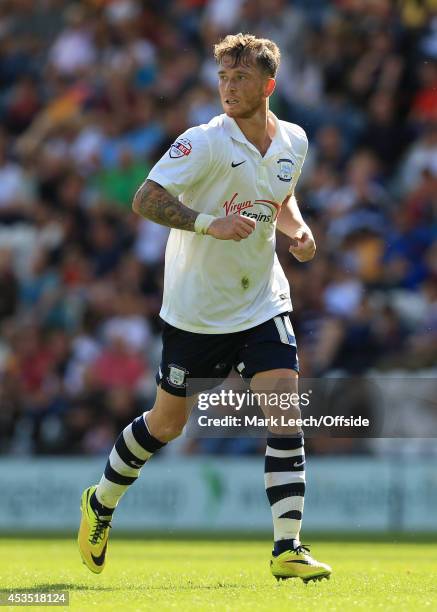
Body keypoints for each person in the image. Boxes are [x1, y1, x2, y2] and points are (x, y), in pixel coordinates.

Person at [78, 33, 332, 583]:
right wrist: (206, 222)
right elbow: (144, 198)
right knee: (167, 424)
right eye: (222, 77)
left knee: (284, 412)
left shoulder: (294, 140)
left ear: (268, 85)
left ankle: (287, 547)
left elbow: (280, 196)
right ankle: (100, 503)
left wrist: (299, 229)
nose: (228, 87)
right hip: (197, 311)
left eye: (240, 78)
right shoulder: (204, 142)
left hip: (263, 298)